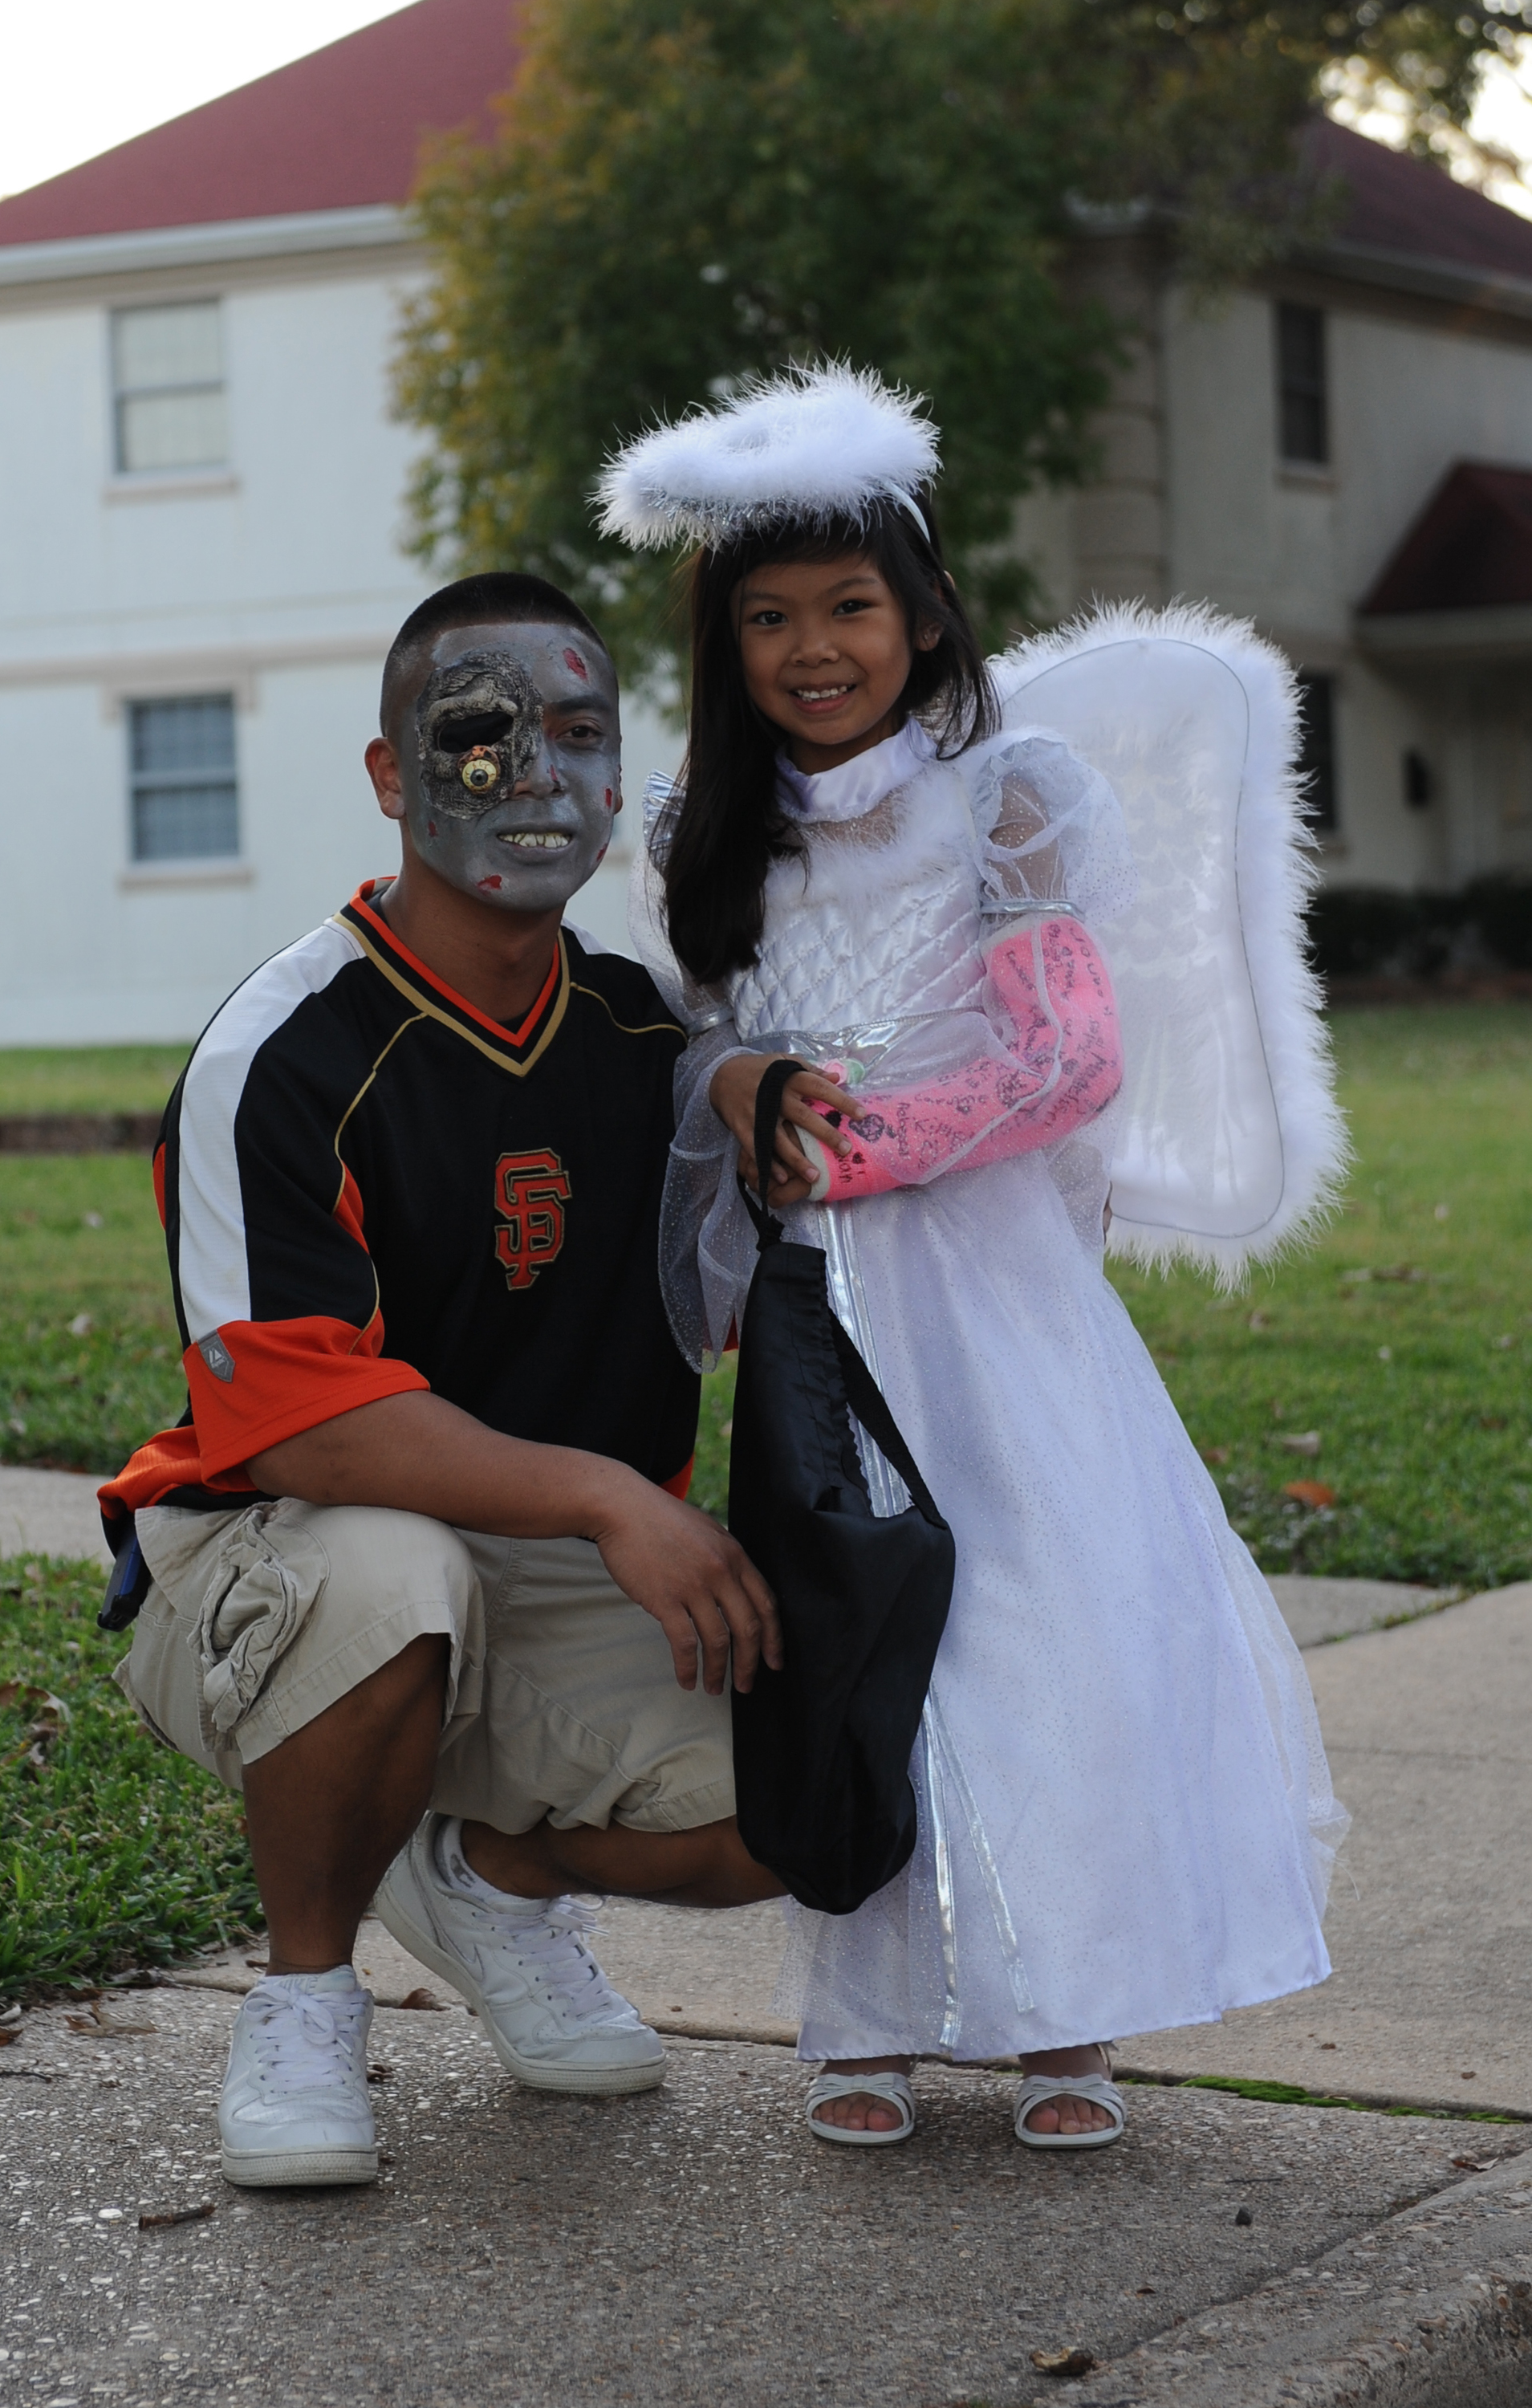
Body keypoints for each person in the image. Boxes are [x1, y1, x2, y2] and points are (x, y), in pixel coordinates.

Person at [597, 365, 1347, 2153]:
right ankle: (863, 2013)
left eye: (849, 606)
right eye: (766, 619)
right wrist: (748, 1091)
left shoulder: (1005, 795)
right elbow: (691, 1049)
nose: (813, 647)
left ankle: (1062, 2015)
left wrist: (872, 1143)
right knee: (849, 1639)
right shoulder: (694, 825)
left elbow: (1067, 1053)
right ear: (723, 642)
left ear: (922, 611)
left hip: (988, 1294)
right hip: (816, 1313)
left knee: (1027, 1621)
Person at [100, 571, 785, 2190]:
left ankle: (480, 1872)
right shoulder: (285, 1050)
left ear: (623, 781)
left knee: (819, 1782)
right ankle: (305, 1998)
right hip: (274, 1551)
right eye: (479, 736)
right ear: (392, 775)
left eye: (577, 734)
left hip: (547, 1571)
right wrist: (612, 1496)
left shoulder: (647, 1036)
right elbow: (301, 1420)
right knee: (392, 1571)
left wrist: (755, 1077)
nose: (535, 774)